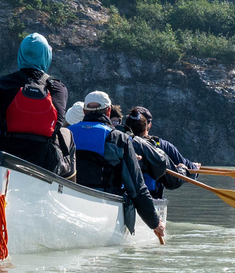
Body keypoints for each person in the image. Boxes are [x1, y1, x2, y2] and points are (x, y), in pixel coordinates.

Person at [0, 33, 74, 186]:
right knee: (68, 136)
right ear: (46, 56)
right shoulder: (57, 87)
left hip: (6, 159)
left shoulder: (1, 84)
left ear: (20, 55)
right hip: (45, 162)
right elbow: (56, 124)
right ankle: (68, 194)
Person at [70, 90, 165, 242]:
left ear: (84, 111)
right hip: (105, 205)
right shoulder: (118, 138)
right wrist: (154, 222)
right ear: (108, 111)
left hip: (70, 201)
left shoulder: (65, 133)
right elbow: (137, 187)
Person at [130, 105, 201, 199]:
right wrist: (193, 168)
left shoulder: (117, 138)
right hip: (148, 198)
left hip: (124, 193)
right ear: (149, 125)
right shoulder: (162, 146)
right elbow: (183, 170)